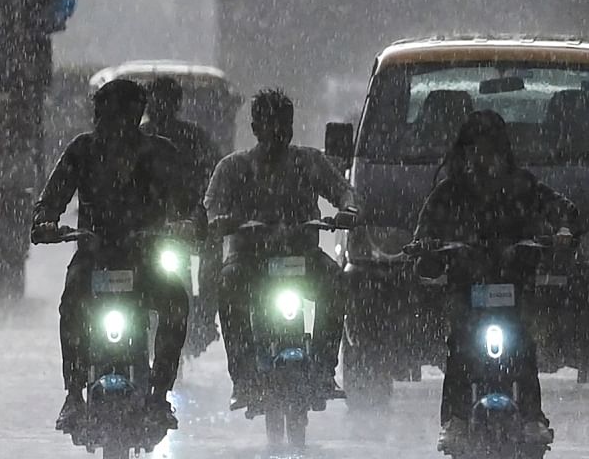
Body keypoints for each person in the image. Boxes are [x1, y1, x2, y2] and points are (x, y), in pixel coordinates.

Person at [32, 79, 191, 432]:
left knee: (177, 303)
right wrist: (44, 220)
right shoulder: (81, 151)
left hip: (145, 258)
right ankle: (74, 395)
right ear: (97, 116)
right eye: (108, 115)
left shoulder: (160, 153)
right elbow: (53, 196)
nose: (116, 124)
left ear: (137, 117)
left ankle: (159, 395)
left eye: (125, 115)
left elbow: (189, 203)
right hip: (95, 255)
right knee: (71, 303)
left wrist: (190, 224)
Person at [412, 110, 577, 449]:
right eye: (475, 149)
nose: (483, 158)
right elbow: (423, 235)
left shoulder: (524, 186)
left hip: (515, 289)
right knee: (459, 345)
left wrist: (561, 231)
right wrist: (426, 245)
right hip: (466, 290)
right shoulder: (448, 193)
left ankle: (532, 417)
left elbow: (563, 210)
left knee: (524, 344)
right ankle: (455, 419)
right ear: (465, 152)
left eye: (490, 149)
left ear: (504, 151)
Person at [205, 88, 357, 409]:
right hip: (249, 261)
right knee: (228, 285)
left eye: (283, 124)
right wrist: (221, 222)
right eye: (269, 123)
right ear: (255, 127)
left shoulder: (310, 161)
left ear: (291, 126)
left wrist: (349, 209)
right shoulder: (234, 167)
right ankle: (244, 378)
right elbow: (210, 209)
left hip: (304, 257)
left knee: (337, 281)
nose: (277, 132)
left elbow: (344, 191)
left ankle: (323, 370)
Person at [141, 76, 222, 355]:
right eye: (155, 100)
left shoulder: (194, 138)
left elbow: (214, 177)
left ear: (176, 104)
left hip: (186, 223)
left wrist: (201, 213)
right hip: (144, 227)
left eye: (166, 100)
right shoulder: (137, 138)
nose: (160, 106)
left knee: (214, 260)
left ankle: (203, 319)